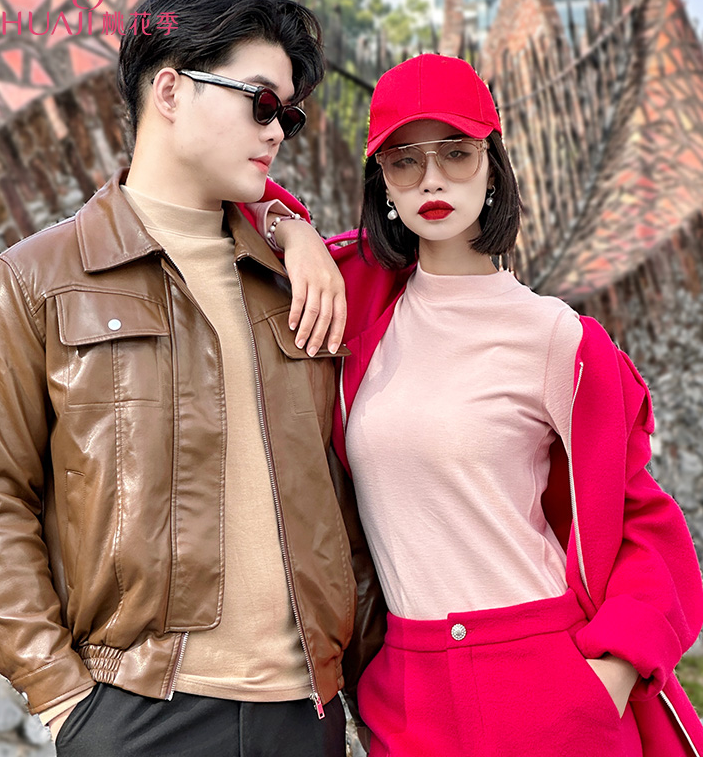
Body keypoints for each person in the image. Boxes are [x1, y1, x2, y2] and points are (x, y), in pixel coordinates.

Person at [0, 0, 364, 757]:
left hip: (301, 714)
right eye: (261, 102)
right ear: (170, 89)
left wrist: (290, 224)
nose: (277, 132)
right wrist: (63, 698)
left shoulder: (296, 283)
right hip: (135, 712)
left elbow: (347, 494)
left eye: (289, 116)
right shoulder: (32, 281)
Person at [252, 53, 703, 756]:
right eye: (404, 161)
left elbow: (644, 520)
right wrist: (294, 232)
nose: (432, 178)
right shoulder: (359, 307)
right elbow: (219, 193)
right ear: (382, 183)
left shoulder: (557, 338)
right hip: (407, 697)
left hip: (547, 682)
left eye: (456, 153)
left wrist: (609, 677)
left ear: (493, 167)